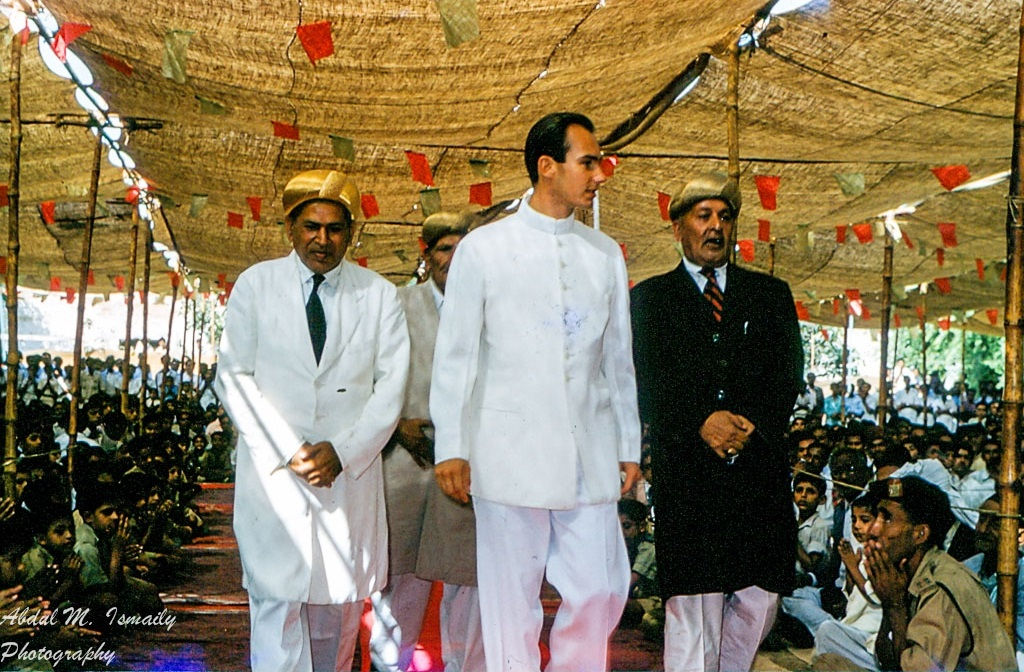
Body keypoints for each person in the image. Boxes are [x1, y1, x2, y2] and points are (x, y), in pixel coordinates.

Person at [430, 111, 641, 672]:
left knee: (600, 590)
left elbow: (618, 360)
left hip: (589, 450)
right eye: (588, 162)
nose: (600, 175)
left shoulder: (604, 254)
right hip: (507, 452)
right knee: (509, 607)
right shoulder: (484, 248)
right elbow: (456, 357)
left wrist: (629, 444)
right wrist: (450, 444)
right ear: (547, 167)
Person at [215, 169, 410, 672]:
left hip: (346, 479)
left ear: (352, 232)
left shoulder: (380, 295)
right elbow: (234, 376)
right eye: (311, 226)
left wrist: (342, 452)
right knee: (276, 609)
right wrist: (288, 449)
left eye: (335, 228)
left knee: (337, 621)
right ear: (290, 228)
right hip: (275, 477)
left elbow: (390, 389)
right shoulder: (256, 285)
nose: (322, 239)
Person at [630, 171, 804, 671]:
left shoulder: (769, 295)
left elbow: (788, 371)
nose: (716, 227)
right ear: (678, 227)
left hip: (756, 470)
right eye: (703, 216)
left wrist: (751, 426)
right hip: (689, 471)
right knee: (693, 607)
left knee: (761, 596)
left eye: (725, 217)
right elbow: (645, 379)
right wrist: (698, 424)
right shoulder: (650, 299)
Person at [371, 211, 484, 672]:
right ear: (426, 254)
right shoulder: (397, 303)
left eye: (463, 248)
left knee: (467, 579)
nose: (454, 259)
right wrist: (396, 425)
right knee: (403, 577)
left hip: (468, 463)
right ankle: (387, 665)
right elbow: (365, 375)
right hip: (406, 461)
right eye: (444, 248)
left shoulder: (489, 306)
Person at [859, 476, 1015, 671]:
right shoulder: (908, 573)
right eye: (876, 517)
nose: (873, 530)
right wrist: (890, 603)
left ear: (920, 534)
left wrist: (896, 606)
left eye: (887, 518)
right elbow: (887, 660)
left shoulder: (940, 586)